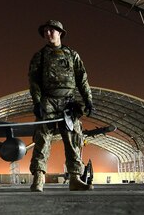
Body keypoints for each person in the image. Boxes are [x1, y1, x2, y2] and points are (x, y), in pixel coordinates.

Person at [28, 20, 94, 192]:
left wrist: (88, 100)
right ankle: (38, 178)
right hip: (48, 101)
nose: (48, 34)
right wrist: (37, 102)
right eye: (46, 31)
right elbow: (34, 81)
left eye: (52, 31)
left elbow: (82, 78)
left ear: (60, 33)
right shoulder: (40, 56)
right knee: (42, 139)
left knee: (73, 139)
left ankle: (75, 178)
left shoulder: (72, 55)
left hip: (68, 103)